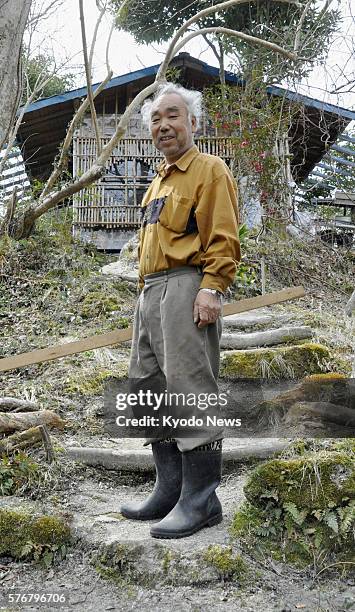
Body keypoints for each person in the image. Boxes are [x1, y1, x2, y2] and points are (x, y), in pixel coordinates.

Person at [120, 82, 241, 538]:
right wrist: (143, 296)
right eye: (155, 119)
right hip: (149, 293)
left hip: (187, 286)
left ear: (193, 122)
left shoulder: (209, 170)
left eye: (173, 115)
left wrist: (213, 288)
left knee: (190, 389)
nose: (164, 125)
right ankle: (168, 491)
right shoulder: (158, 181)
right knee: (147, 389)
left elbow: (224, 235)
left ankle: (201, 500)